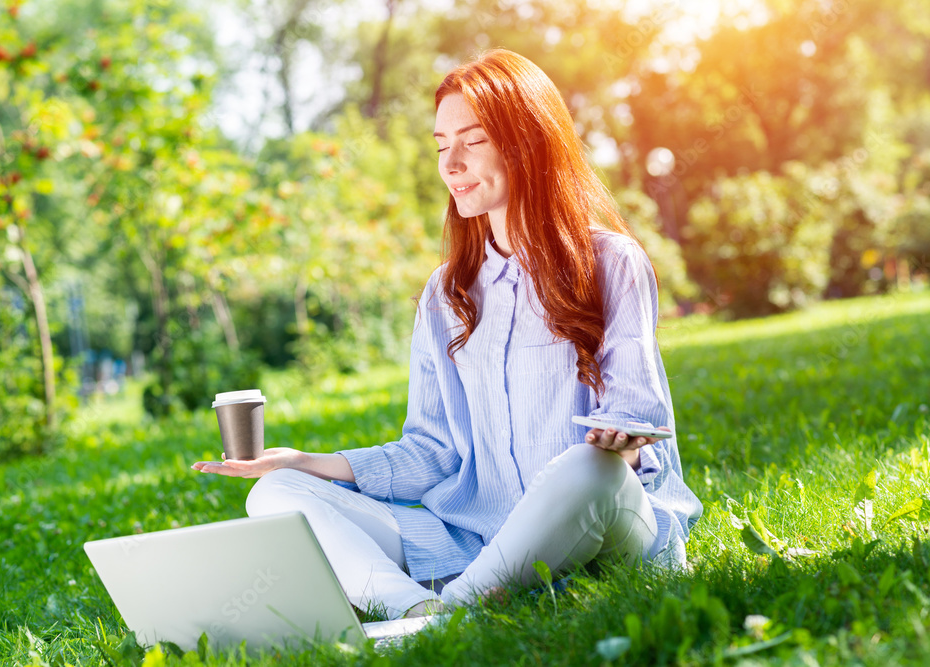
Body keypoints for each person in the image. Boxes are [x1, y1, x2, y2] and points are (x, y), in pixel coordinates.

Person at [192, 49, 702, 620]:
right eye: (441, 145)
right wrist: (307, 461)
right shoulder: (447, 294)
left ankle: (453, 612)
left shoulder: (610, 262)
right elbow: (430, 450)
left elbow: (637, 410)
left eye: (473, 141)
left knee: (586, 467)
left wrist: (623, 439)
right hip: (472, 537)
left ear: (528, 143)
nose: (451, 163)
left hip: (605, 521)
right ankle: (410, 609)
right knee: (275, 494)